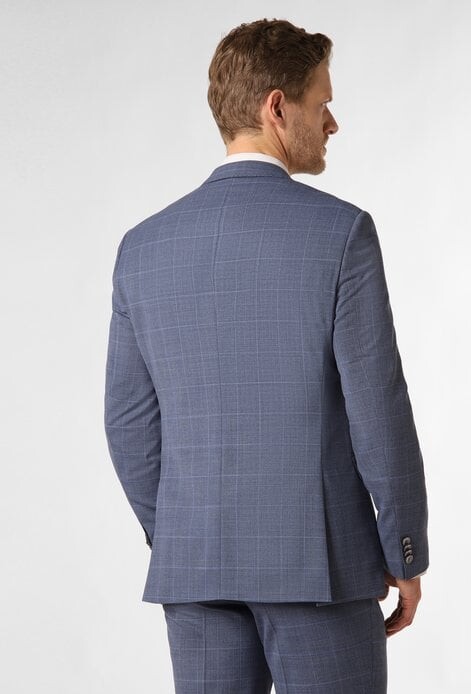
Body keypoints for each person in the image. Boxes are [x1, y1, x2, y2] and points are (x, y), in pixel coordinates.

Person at [104, 17, 429, 693]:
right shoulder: (341, 233)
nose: (332, 122)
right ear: (277, 107)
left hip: (195, 572)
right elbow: (378, 408)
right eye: (322, 103)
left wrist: (184, 534)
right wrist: (405, 550)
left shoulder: (143, 247)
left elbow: (129, 424)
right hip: (321, 568)